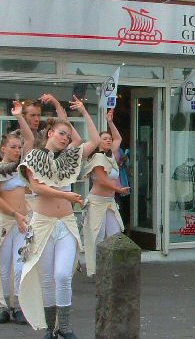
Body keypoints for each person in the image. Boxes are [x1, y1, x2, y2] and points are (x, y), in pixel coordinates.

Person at [18, 95, 99, 339]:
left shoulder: (70, 157)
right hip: (42, 223)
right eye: (61, 133)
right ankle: (51, 329)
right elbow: (38, 188)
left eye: (68, 134)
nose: (65, 138)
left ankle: (64, 327)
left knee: (63, 275)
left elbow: (94, 140)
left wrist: (84, 111)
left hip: (66, 223)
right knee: (47, 279)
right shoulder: (34, 157)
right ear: (50, 132)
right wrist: (66, 196)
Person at [0, 101, 33, 324]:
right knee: (3, 266)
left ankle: (21, 306)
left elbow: (31, 139)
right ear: (3, 149)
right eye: (12, 147)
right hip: (6, 223)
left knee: (20, 264)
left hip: (22, 223)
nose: (16, 150)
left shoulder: (21, 167)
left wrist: (19, 117)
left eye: (18, 147)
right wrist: (15, 214)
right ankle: (6, 306)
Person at [81, 109, 129, 277]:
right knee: (97, 236)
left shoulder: (110, 156)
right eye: (104, 138)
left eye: (109, 139)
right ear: (98, 142)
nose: (109, 140)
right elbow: (101, 180)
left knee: (115, 234)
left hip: (109, 202)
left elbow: (118, 138)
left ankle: (112, 268)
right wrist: (119, 190)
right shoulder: (96, 158)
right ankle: (97, 270)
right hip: (96, 201)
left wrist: (110, 121)